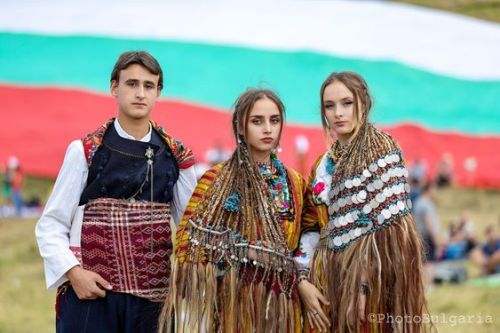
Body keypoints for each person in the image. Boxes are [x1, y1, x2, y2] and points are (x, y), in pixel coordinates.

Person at [35, 51, 197, 333]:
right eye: (131, 84)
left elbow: (192, 232)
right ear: (114, 88)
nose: (140, 93)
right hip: (91, 299)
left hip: (153, 304)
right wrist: (74, 274)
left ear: (159, 92)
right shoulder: (86, 151)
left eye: (149, 86)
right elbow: (51, 224)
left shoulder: (176, 158)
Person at [160, 89, 305, 332]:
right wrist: (245, 253)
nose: (267, 129)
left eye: (274, 120)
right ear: (240, 126)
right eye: (257, 121)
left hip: (284, 308)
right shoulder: (215, 180)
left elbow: (307, 239)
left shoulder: (296, 183)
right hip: (233, 307)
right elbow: (186, 243)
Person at [295, 72, 429, 332]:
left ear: (363, 104)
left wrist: (364, 285)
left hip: (373, 286)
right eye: (329, 106)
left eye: (347, 103)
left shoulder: (383, 151)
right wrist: (302, 281)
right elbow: (310, 226)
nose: (338, 113)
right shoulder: (321, 164)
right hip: (326, 282)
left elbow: (390, 233)